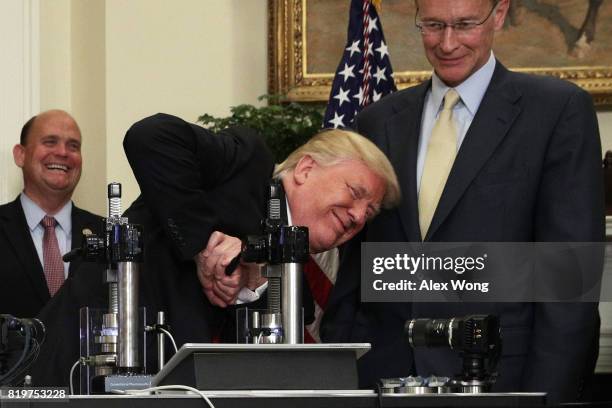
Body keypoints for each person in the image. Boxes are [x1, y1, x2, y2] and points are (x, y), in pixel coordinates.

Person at [320, 0, 604, 404]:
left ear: (499, 15)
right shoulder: (379, 120)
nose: (447, 42)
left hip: (503, 378)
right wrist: (343, 368)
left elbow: (569, 278)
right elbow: (357, 272)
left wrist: (547, 396)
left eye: (465, 24)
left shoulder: (556, 111)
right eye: (433, 25)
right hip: (383, 376)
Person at [121, 113, 401, 351]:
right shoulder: (246, 162)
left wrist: (257, 278)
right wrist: (204, 246)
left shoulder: (298, 297)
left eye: (369, 212)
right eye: (354, 192)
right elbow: (150, 137)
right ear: (306, 169)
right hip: (117, 355)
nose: (358, 216)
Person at [0, 110, 102, 318]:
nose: (63, 153)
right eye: (50, 142)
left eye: (73, 146)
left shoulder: (106, 234)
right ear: (21, 155)